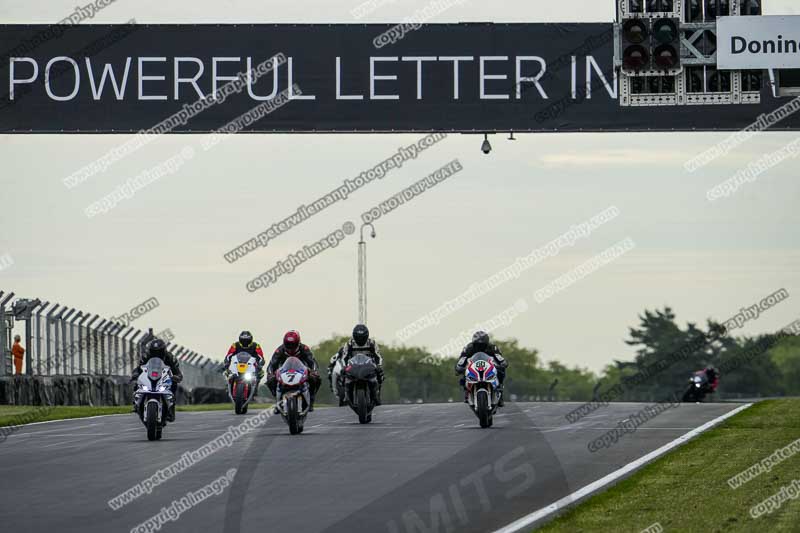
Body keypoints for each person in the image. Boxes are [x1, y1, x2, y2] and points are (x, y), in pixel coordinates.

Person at [328, 324, 385, 406]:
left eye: (362, 337)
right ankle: (345, 394)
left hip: (369, 365)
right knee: (344, 375)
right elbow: (344, 357)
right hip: (354, 366)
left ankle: (377, 394)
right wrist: (344, 367)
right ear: (354, 336)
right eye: (358, 337)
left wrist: (379, 366)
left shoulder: (372, 343)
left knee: (380, 374)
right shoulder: (349, 344)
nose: (360, 339)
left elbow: (378, 356)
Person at [266, 330, 321, 411]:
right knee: (270, 381)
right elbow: (272, 364)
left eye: (293, 345)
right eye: (288, 345)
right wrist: (270, 373)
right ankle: (277, 402)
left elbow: (312, 361)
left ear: (298, 343)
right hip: (284, 372)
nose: (290, 347)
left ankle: (311, 400)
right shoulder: (279, 350)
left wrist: (314, 371)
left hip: (301, 372)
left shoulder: (304, 349)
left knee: (316, 379)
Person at [130, 339, 183, 421]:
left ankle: (171, 409)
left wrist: (177, 377)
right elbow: (138, 368)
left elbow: (177, 372)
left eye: (159, 352)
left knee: (173, 384)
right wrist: (135, 375)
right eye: (154, 352)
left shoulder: (170, 358)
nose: (156, 354)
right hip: (149, 377)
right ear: (150, 351)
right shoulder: (145, 356)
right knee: (138, 381)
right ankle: (135, 404)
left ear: (163, 350)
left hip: (164, 378)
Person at [455, 331, 508, 406]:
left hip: (489, 366)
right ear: (474, 343)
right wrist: (459, 367)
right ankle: (467, 392)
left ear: (486, 343)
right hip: (473, 367)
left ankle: (500, 391)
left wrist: (503, 363)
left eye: (482, 345)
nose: (480, 347)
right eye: (477, 345)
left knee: (501, 371)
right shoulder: (468, 348)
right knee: (464, 372)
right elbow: (462, 358)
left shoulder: (492, 347)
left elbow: (499, 357)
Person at [222, 331, 266, 395]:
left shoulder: (256, 345)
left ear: (251, 340)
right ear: (240, 340)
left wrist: (260, 363)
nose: (245, 342)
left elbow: (260, 356)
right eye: (243, 340)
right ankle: (228, 386)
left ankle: (255, 388)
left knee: (261, 373)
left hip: (251, 365)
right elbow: (229, 355)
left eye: (247, 341)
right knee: (227, 372)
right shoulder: (235, 345)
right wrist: (226, 362)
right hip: (237, 364)